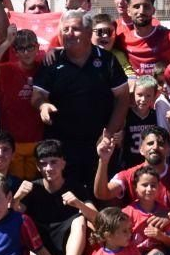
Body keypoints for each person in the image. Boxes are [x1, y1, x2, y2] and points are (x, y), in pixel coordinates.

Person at [32, 10, 130, 199]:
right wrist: (43, 105)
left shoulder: (107, 60)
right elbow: (37, 95)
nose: (69, 33)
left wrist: (108, 134)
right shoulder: (52, 61)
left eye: (75, 29)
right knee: (66, 198)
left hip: (99, 143)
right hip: (63, 145)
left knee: (103, 194)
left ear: (88, 32)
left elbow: (123, 98)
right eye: (65, 29)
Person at [0, 28, 46, 179]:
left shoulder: (44, 68)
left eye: (30, 47)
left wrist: (52, 52)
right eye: (21, 48)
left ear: (37, 47)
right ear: (15, 51)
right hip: (13, 143)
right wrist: (7, 42)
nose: (26, 52)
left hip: (38, 139)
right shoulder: (8, 69)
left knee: (34, 185)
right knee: (15, 184)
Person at [117, 0, 170, 77]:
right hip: (138, 89)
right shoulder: (122, 39)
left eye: (146, 6)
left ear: (153, 10)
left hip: (165, 89)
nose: (141, 11)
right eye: (136, 7)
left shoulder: (169, 36)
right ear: (129, 11)